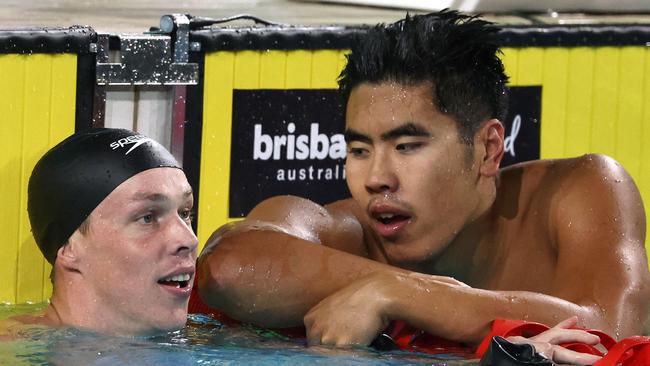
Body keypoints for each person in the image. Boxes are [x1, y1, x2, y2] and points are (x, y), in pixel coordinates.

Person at [195, 10, 650, 364]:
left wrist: (399, 295)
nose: (376, 178)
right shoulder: (348, 235)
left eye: (407, 146)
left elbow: (612, 333)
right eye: (358, 150)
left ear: (488, 149)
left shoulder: (573, 193)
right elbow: (229, 267)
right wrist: (404, 287)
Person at [16, 128, 198, 336]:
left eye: (185, 213)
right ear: (69, 247)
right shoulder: (12, 350)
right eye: (147, 217)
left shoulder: (216, 338)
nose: (189, 239)